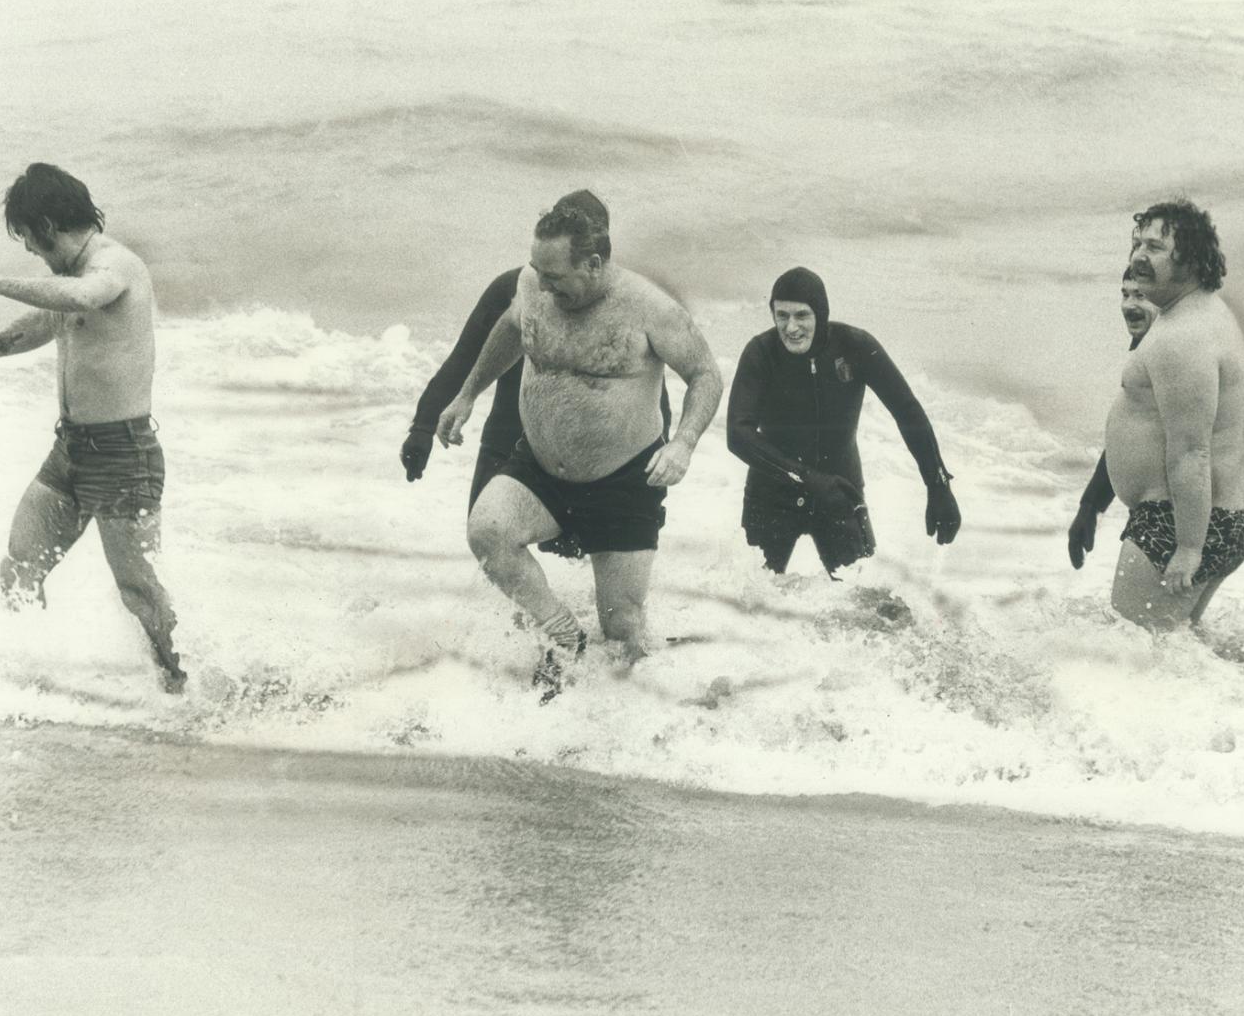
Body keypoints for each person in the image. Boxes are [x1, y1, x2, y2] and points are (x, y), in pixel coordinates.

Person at [435, 190, 722, 699]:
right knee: (487, 534)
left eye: (555, 278)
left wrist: (683, 444)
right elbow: (510, 327)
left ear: (592, 263)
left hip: (623, 484)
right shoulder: (532, 284)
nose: (542, 287)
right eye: (537, 272)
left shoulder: (649, 308)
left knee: (625, 634)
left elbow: (705, 374)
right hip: (540, 470)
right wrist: (466, 396)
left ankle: (639, 724)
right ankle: (567, 639)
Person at [0, 163, 185, 691]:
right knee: (19, 566)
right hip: (69, 452)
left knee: (137, 591)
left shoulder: (116, 266)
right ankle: (29, 677)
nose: (28, 250)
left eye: (26, 236)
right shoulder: (69, 279)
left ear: (45, 224)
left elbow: (84, 298)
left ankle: (178, 685)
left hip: (123, 453)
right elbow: (42, 323)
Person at [399, 257, 669, 555]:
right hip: (506, 438)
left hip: (588, 458)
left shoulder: (628, 298)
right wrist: (422, 428)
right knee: (489, 544)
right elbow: (464, 359)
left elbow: (651, 394)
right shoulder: (512, 288)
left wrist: (650, 476)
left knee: (581, 560)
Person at [726, 266, 960, 576]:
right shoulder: (761, 352)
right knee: (754, 606)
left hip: (840, 495)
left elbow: (907, 411)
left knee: (863, 607)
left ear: (820, 314)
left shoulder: (855, 345)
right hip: (772, 496)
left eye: (801, 315)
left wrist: (938, 485)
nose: (791, 328)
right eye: (781, 315)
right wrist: (806, 478)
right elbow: (738, 434)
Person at [1101, 200, 1244, 630]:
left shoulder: (1182, 337)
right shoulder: (1206, 313)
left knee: (1128, 655)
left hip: (1181, 520)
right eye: (1136, 244)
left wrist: (1190, 547)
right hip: (1219, 516)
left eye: (1154, 247)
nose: (1137, 257)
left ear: (1189, 257)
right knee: (1175, 654)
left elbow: (1192, 452)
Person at [1068, 268, 1158, 569]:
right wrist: (1090, 506)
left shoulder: (1168, 356)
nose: (1129, 305)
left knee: (1133, 617)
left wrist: (1187, 547)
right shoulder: (1149, 352)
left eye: (1141, 295)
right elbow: (1129, 435)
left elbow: (1193, 454)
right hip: (1160, 517)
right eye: (1125, 294)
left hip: (1167, 522)